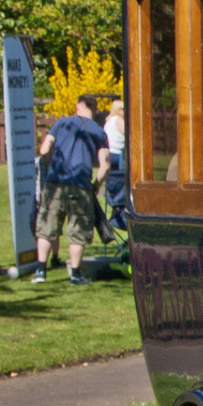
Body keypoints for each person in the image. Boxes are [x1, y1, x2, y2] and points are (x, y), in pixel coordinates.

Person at [34, 93, 111, 285]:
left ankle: (41, 272)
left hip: (56, 181)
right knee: (78, 229)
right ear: (95, 109)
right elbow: (106, 165)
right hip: (81, 184)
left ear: (77, 106)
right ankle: (75, 274)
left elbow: (44, 149)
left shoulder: (62, 123)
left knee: (47, 227)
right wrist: (96, 184)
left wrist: (50, 165)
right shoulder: (99, 132)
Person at [102, 98, 129, 239]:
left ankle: (115, 198)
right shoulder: (118, 120)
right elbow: (129, 134)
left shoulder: (109, 120)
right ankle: (119, 200)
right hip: (116, 154)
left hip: (108, 153)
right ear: (119, 110)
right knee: (126, 175)